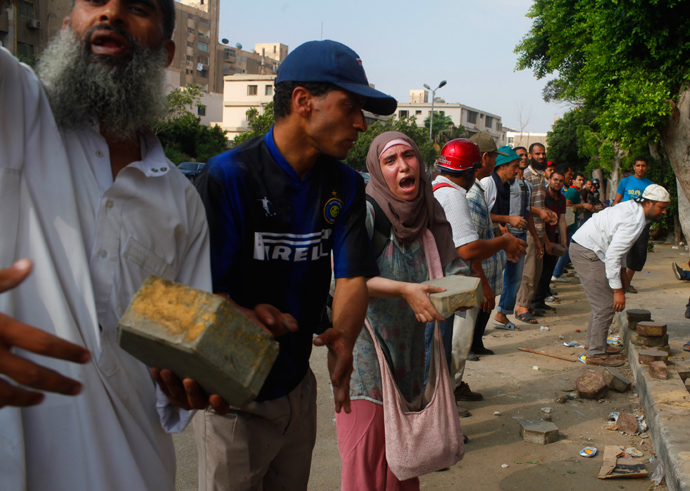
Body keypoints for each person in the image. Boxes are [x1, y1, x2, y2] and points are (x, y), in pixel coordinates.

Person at [0, 0, 256, 487]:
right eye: (94, 1)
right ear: (65, 26)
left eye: (136, 6)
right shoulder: (15, 107)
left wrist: (215, 358)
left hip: (132, 469)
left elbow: (175, 361)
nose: (111, 12)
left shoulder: (179, 202)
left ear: (167, 52)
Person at [193, 40, 396, 491]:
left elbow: (351, 276)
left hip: (297, 391)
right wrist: (236, 314)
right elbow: (196, 293)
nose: (361, 124)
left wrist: (342, 335)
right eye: (351, 107)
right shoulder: (228, 177)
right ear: (303, 101)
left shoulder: (342, 183)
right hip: (234, 398)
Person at [338, 131, 468, 491]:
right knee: (366, 465)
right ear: (377, 171)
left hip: (412, 360)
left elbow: (453, 268)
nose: (403, 166)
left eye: (408, 156)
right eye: (390, 160)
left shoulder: (430, 210)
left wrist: (457, 291)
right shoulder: (362, 210)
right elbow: (344, 281)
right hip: (366, 360)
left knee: (405, 462)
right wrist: (404, 290)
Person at [431, 138, 525, 415]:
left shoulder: (439, 188)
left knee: (442, 349)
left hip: (441, 282)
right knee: (448, 348)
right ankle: (443, 408)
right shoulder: (455, 194)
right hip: (449, 284)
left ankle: (444, 400)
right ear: (472, 169)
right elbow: (468, 248)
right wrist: (504, 243)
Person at [571, 184, 670, 366]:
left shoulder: (635, 209)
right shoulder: (634, 220)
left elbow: (619, 246)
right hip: (588, 250)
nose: (663, 212)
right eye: (661, 208)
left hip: (591, 247)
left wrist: (623, 272)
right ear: (648, 203)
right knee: (605, 304)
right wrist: (618, 291)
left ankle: (594, 344)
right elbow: (613, 256)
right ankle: (595, 353)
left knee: (601, 302)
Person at [465, 133, 525, 357]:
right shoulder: (481, 187)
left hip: (488, 252)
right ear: (485, 158)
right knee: (475, 303)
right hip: (479, 256)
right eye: (513, 166)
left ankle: (476, 342)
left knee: (486, 303)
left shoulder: (494, 186)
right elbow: (473, 233)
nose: (516, 171)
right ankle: (467, 345)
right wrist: (505, 225)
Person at [488, 147, 541, 330]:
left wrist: (536, 237)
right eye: (516, 163)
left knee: (514, 278)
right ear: (503, 165)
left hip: (517, 235)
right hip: (504, 235)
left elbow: (527, 214)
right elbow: (493, 213)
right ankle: (476, 326)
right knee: (492, 278)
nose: (520, 164)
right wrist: (507, 224)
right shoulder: (494, 184)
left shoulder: (526, 185)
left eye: (523, 159)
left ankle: (502, 313)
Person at [514, 143, 556, 324]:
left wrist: (546, 211)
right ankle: (520, 306)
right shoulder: (526, 176)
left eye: (543, 153)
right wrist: (540, 212)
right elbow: (523, 205)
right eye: (537, 154)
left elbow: (537, 204)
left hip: (539, 229)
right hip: (528, 229)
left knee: (537, 271)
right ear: (530, 156)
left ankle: (528, 304)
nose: (541, 156)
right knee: (529, 272)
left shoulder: (540, 177)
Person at [613, 156, 654, 294]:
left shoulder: (650, 185)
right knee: (621, 252)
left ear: (647, 167)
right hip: (625, 222)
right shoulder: (625, 182)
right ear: (634, 167)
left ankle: (627, 283)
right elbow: (616, 202)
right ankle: (616, 282)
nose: (640, 168)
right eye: (638, 165)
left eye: (643, 165)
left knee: (639, 254)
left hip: (642, 223)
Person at [532, 166, 568, 311]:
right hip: (541, 236)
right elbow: (540, 222)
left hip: (554, 236)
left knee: (548, 271)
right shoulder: (543, 196)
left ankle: (540, 301)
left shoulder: (562, 199)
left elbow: (562, 220)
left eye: (560, 181)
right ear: (549, 180)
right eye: (555, 180)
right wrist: (546, 242)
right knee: (538, 272)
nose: (557, 183)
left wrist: (564, 241)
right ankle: (533, 303)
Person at [552, 172, 595, 282]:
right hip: (568, 224)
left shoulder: (577, 191)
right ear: (573, 181)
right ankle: (556, 273)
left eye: (582, 180)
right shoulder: (572, 191)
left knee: (567, 249)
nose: (581, 182)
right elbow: (566, 204)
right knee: (567, 249)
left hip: (571, 223)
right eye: (579, 180)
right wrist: (583, 205)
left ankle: (557, 272)